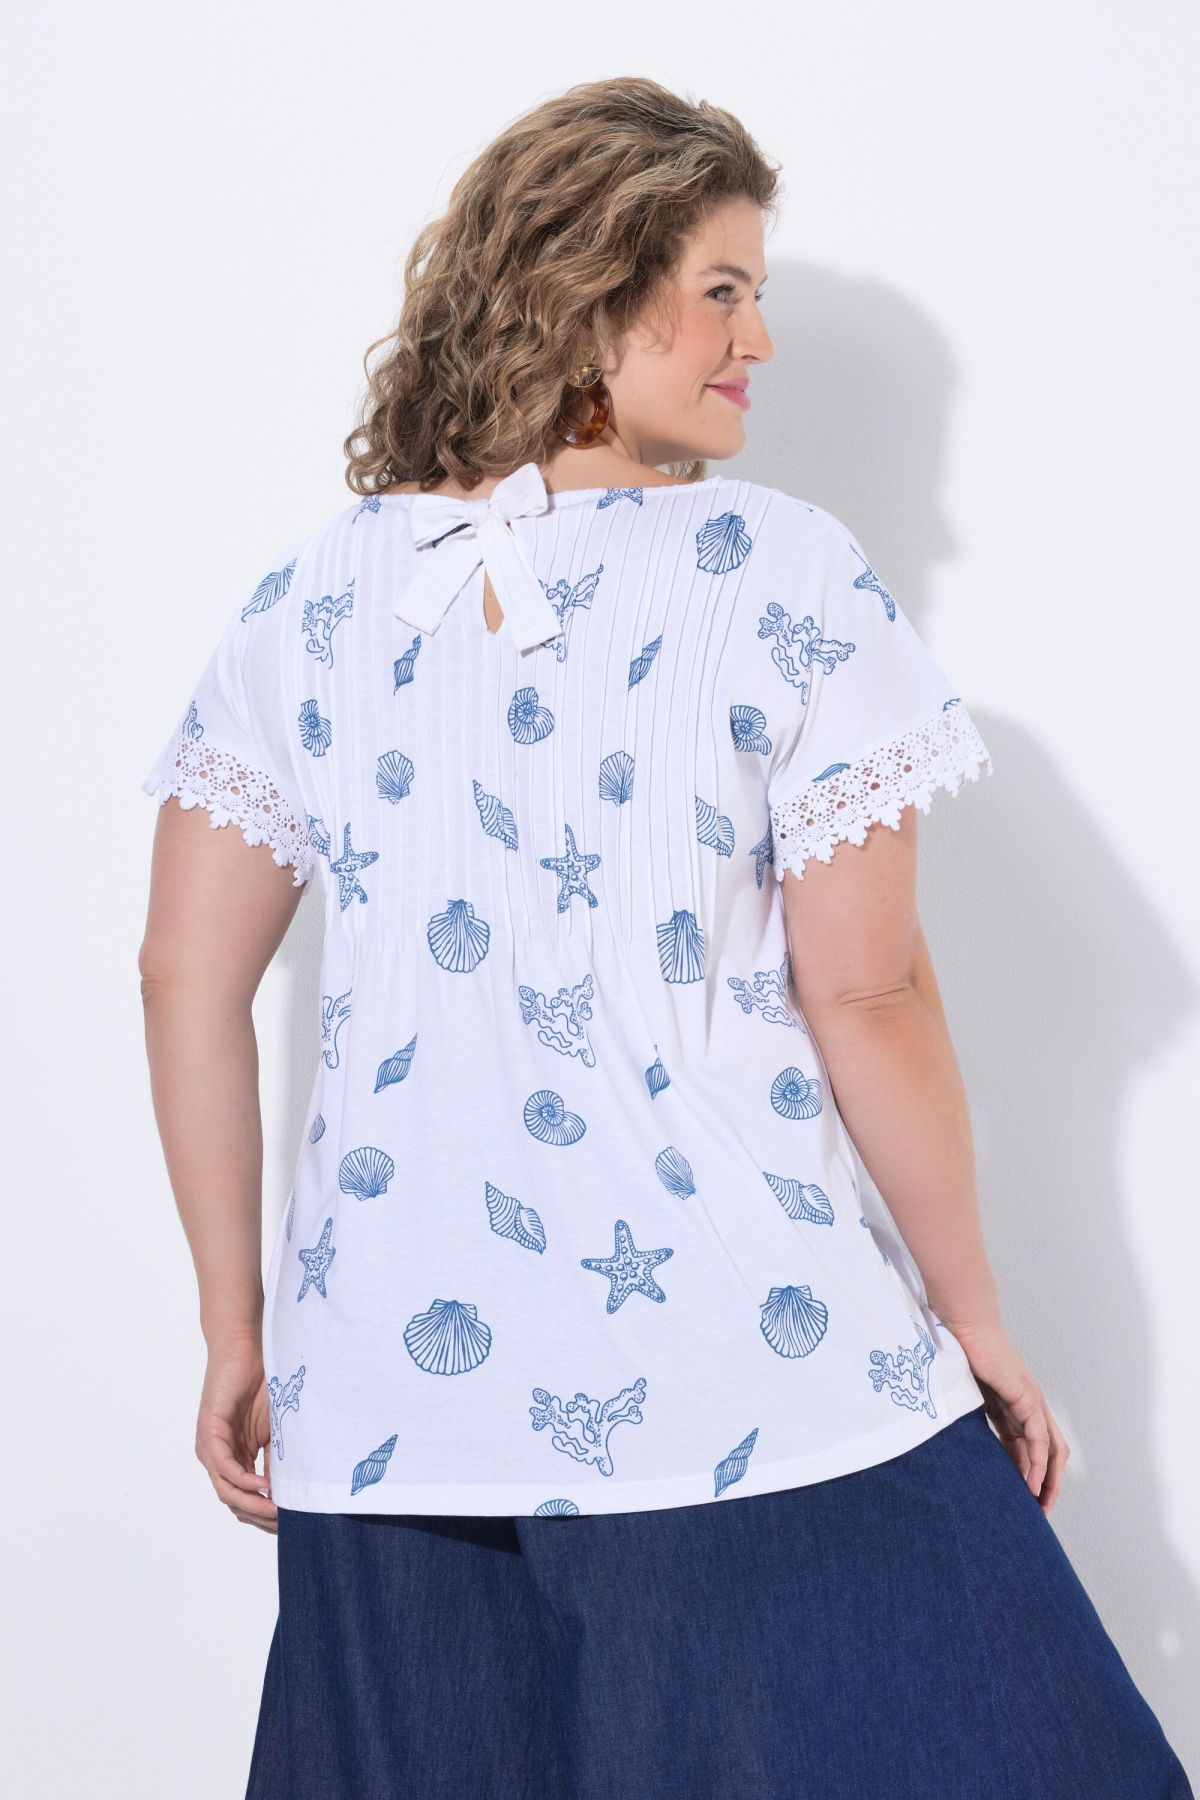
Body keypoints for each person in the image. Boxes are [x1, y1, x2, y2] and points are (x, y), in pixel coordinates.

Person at [137, 76, 1194, 1800]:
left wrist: (238, 1326)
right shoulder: (784, 575)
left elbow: (185, 972)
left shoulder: (311, 597)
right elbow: (866, 986)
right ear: (587, 293)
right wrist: (972, 1312)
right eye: (720, 290)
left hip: (391, 1398)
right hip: (750, 1372)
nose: (757, 338)